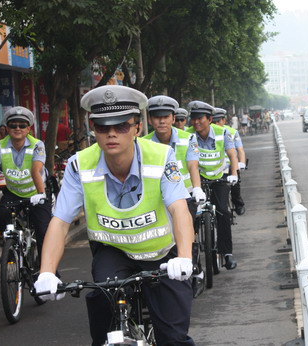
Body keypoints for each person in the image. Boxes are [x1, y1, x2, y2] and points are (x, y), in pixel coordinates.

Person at [34, 85, 196, 346]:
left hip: (162, 253)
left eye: (121, 126)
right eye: (102, 126)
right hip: (113, 251)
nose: (111, 134)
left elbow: (179, 208)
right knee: (102, 315)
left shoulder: (162, 157)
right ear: (92, 127)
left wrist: (185, 258)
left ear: (137, 128)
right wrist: (46, 273)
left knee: (174, 339)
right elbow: (60, 221)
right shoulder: (79, 164)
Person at [143, 95, 206, 297]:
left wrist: (197, 188)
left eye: (165, 116)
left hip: (184, 196)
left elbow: (192, 165)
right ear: (150, 119)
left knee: (187, 236)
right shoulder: (141, 143)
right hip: (155, 201)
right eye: (156, 116)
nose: (161, 121)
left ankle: (194, 269)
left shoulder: (188, 138)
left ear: (172, 118)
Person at [0, 107, 51, 259]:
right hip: (13, 193)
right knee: (1, 215)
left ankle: (48, 271)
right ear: (7, 128)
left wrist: (41, 194)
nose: (17, 128)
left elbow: (35, 170)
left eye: (22, 125)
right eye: (13, 125)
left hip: (36, 193)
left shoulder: (38, 145)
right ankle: (11, 249)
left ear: (28, 129)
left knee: (43, 231)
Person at [186, 101, 240, 269]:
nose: (196, 122)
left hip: (219, 178)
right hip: (196, 180)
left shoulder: (222, 132)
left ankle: (227, 254)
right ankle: (192, 259)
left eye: (200, 118)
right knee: (189, 216)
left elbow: (232, 155)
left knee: (223, 211)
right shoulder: (186, 135)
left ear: (209, 119)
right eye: (193, 119)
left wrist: (233, 174)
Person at [212, 108, 246, 216]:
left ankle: (238, 204)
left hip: (230, 163)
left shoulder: (232, 132)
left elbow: (240, 150)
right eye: (214, 122)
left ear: (224, 120)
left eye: (218, 121)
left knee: (235, 182)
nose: (216, 124)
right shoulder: (207, 132)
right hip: (214, 166)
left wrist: (242, 163)